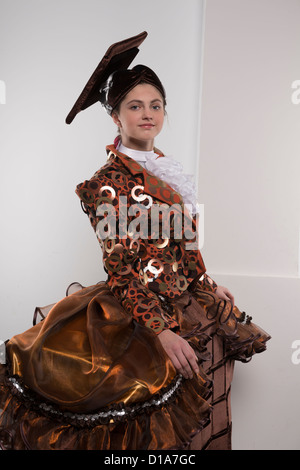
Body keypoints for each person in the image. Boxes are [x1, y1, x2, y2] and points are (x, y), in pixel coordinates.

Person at [0, 32, 270, 451]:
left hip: (197, 306)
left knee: (211, 420)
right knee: (162, 438)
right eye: (135, 106)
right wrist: (162, 332)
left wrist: (207, 281)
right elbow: (121, 269)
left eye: (156, 105)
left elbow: (182, 241)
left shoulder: (168, 169)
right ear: (115, 117)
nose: (148, 114)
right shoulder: (102, 185)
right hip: (148, 319)